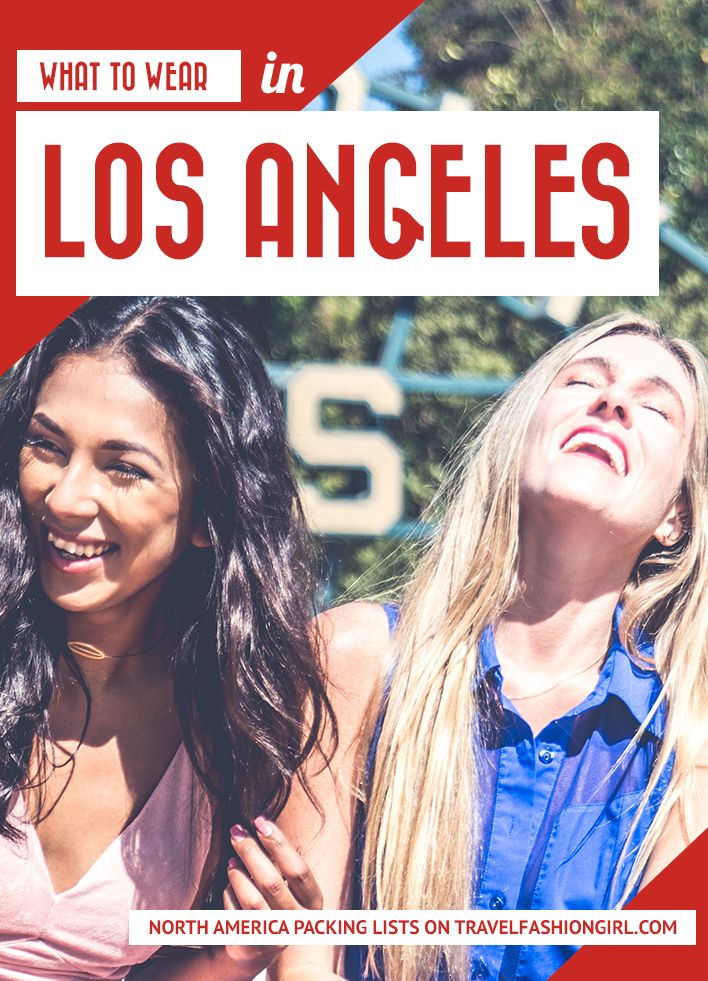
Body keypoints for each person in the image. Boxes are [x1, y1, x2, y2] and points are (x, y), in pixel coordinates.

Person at [271, 313, 708, 981]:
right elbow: (302, 962)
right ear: (521, 436)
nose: (612, 400)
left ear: (676, 514)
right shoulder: (355, 656)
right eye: (581, 379)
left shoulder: (689, 746)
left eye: (654, 406)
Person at [0, 296, 330, 981]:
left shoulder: (241, 720)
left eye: (123, 466)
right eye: (48, 445)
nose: (64, 496)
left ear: (208, 515)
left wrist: (233, 956)